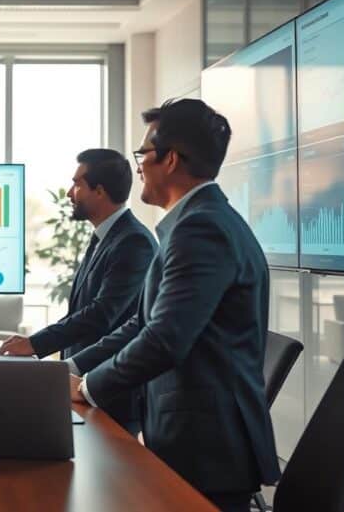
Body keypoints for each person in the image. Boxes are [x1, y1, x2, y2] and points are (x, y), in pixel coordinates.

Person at [68, 99, 280, 512]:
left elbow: (165, 339)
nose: (139, 166)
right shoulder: (195, 222)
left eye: (143, 154)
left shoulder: (200, 228)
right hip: (191, 441)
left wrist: (88, 388)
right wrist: (72, 370)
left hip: (207, 454)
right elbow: (141, 324)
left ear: (170, 160)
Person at [0, 149, 156, 434]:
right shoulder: (106, 236)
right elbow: (81, 311)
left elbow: (101, 314)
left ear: (99, 191)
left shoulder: (134, 242)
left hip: (110, 395)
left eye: (77, 184)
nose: (70, 193)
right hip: (81, 386)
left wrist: (35, 344)